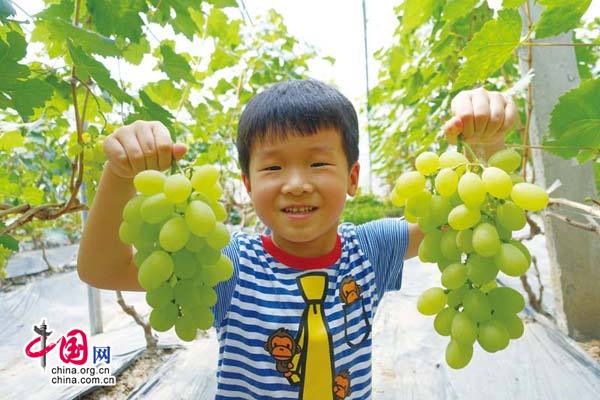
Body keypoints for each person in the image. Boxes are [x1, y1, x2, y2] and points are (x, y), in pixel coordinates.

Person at [77, 79, 516, 399]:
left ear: (353, 178)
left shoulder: (369, 250)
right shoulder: (229, 261)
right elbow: (101, 269)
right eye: (272, 168)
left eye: (319, 164)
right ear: (247, 186)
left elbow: (462, 227)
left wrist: (486, 148)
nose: (296, 184)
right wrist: (119, 177)